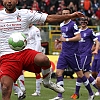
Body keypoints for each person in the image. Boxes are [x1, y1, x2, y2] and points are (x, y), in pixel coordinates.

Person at [0, 0, 85, 100]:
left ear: (17, 1)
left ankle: (47, 82)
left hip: (24, 52)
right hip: (7, 56)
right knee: (5, 88)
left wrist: (70, 16)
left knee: (44, 59)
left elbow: (49, 18)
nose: (9, 1)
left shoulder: (25, 13)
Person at [49, 8, 97, 100]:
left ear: (70, 14)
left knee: (80, 75)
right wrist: (59, 41)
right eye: (63, 13)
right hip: (64, 53)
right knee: (59, 73)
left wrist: (66, 40)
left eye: (67, 13)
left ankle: (91, 93)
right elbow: (64, 36)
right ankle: (60, 96)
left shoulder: (73, 25)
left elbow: (78, 37)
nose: (65, 15)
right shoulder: (61, 24)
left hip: (73, 53)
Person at [70, 17, 99, 100]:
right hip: (79, 55)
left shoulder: (90, 31)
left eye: (85, 21)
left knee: (80, 73)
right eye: (82, 21)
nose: (83, 23)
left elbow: (97, 42)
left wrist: (96, 50)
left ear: (87, 22)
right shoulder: (77, 32)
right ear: (80, 22)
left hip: (86, 55)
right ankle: (97, 89)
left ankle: (77, 93)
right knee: (86, 75)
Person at [91, 32, 100, 96]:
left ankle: (99, 90)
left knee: (98, 77)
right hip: (96, 56)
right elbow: (94, 44)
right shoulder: (97, 34)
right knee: (93, 73)